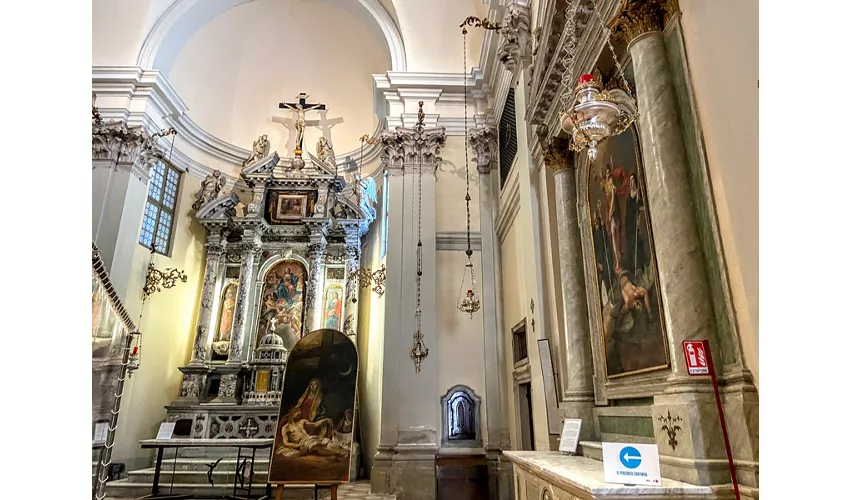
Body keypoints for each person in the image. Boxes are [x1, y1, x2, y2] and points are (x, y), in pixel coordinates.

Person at [276, 409, 348, 458]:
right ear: (292, 414)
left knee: (327, 442)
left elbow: (314, 425)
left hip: (310, 438)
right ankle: (339, 453)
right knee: (317, 445)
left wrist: (324, 420)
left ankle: (344, 451)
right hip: (302, 442)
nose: (299, 416)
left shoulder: (302, 421)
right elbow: (285, 443)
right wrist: (297, 446)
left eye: (299, 415)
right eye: (297, 414)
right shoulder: (286, 427)